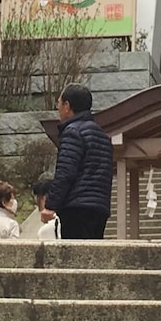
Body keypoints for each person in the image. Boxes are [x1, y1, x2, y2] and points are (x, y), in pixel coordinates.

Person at [42, 84, 113, 240]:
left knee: (74, 252)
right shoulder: (102, 135)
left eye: (59, 103)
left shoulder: (73, 131)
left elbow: (65, 172)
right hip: (99, 207)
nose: (58, 108)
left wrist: (50, 205)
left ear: (67, 106)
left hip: (76, 206)